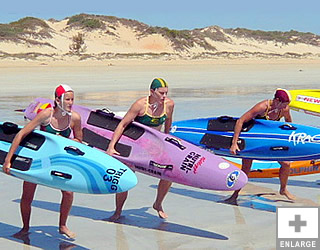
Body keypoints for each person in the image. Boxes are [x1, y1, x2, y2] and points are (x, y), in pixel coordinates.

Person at [3, 84, 82, 238]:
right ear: (58, 99)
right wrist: (8, 160)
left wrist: (68, 142)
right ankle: (25, 228)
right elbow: (22, 134)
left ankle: (62, 226)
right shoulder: (47, 115)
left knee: (68, 192)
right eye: (67, 99)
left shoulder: (75, 118)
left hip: (59, 161)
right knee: (27, 195)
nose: (71, 102)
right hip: (39, 159)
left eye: (72, 99)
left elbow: (79, 139)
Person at [106, 78, 175, 221]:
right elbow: (123, 125)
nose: (164, 97)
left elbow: (168, 125)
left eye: (166, 93)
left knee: (169, 174)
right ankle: (118, 211)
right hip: (135, 146)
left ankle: (158, 204)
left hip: (155, 146)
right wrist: (111, 146)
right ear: (152, 91)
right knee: (125, 178)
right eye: (161, 93)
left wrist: (168, 145)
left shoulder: (169, 105)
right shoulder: (140, 105)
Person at [225, 88, 295, 204]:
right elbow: (240, 121)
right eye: (284, 104)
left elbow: (289, 124)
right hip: (252, 140)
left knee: (286, 164)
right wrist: (234, 143)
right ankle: (234, 195)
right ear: (277, 100)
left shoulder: (284, 109)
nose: (285, 107)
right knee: (246, 168)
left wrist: (288, 142)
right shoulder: (262, 107)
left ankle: (283, 189)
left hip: (270, 140)